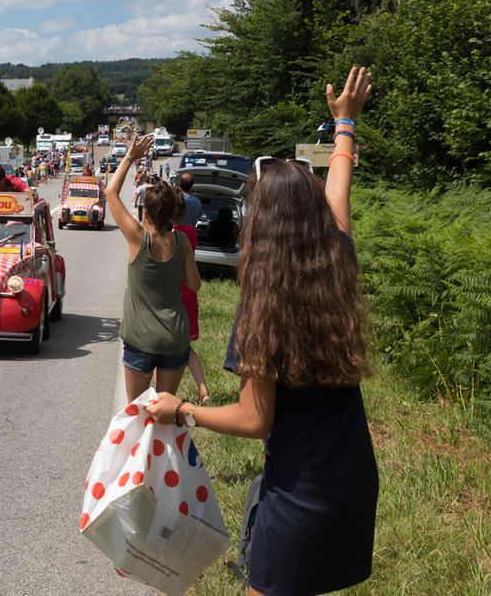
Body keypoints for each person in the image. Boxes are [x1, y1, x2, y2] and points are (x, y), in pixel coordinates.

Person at [145, 67, 377, 596]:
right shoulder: (337, 259)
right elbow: (339, 185)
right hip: (353, 485)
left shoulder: (261, 307)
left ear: (260, 225)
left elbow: (254, 418)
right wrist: (345, 125)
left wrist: (179, 410)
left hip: (299, 498)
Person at [105, 134, 200, 402]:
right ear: (173, 215)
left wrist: (129, 157)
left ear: (145, 213)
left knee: (135, 413)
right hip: (174, 339)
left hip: (140, 340)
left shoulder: (138, 238)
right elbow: (194, 284)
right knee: (164, 415)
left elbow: (110, 192)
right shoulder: (181, 240)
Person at [169, 194, 211, 403]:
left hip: (173, 294)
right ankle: (203, 390)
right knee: (185, 346)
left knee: (165, 348)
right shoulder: (191, 232)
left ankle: (164, 395)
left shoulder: (170, 237)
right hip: (189, 291)